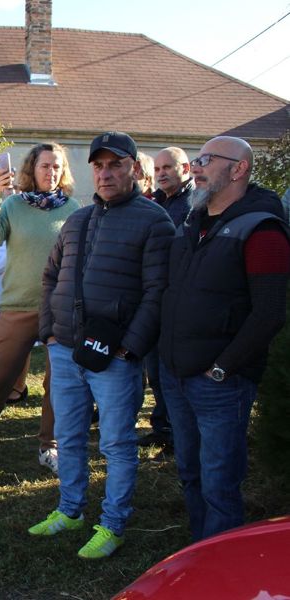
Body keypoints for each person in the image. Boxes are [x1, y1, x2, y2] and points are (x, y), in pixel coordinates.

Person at [32, 131, 174, 559]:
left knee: (116, 443)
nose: (106, 173)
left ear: (135, 169)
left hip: (115, 357)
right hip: (65, 349)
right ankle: (70, 509)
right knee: (68, 436)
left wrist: (130, 348)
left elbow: (158, 292)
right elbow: (50, 277)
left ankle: (112, 524)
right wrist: (49, 332)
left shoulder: (155, 221)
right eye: (99, 165)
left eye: (116, 165)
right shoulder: (77, 220)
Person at [158, 136, 290, 541]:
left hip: (220, 384)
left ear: (238, 169)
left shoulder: (262, 230)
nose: (195, 167)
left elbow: (269, 313)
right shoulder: (190, 224)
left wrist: (222, 368)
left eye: (207, 159)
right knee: (189, 470)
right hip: (176, 374)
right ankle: (199, 550)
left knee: (219, 483)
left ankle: (219, 559)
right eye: (196, 159)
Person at [0, 143, 80, 475]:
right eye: (45, 166)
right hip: (17, 304)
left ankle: (48, 445)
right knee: (0, 376)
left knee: (57, 383)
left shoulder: (73, 209)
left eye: (57, 166)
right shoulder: (13, 204)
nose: (51, 172)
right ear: (31, 169)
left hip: (59, 309)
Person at [139, 147, 195, 451]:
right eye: (158, 169)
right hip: (153, 298)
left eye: (167, 168)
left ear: (185, 168)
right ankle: (162, 427)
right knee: (155, 371)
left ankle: (177, 435)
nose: (160, 174)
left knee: (169, 371)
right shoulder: (156, 202)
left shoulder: (194, 204)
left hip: (178, 301)